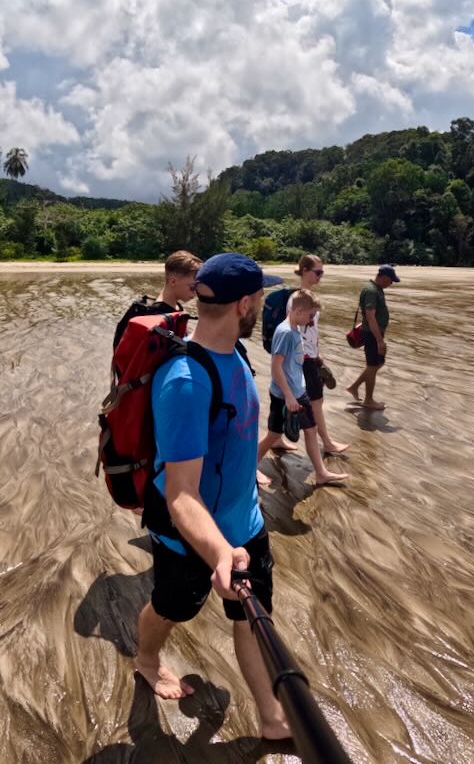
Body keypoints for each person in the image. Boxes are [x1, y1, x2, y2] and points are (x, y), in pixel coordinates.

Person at [135, 252, 291, 741]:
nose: (264, 305)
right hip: (191, 539)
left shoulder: (239, 355)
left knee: (250, 615)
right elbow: (181, 495)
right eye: (261, 297)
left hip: (246, 525)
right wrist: (219, 552)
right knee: (173, 607)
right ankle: (145, 659)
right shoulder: (185, 381)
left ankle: (271, 718)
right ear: (245, 303)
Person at [257, 289, 349, 487]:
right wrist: (289, 397)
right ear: (298, 310)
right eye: (310, 315)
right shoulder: (285, 332)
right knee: (273, 434)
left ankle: (321, 473)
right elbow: (276, 367)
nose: (311, 320)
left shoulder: (296, 328)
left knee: (311, 429)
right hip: (286, 396)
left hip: (299, 392)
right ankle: (249, 467)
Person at [288, 255, 349, 457]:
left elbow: (312, 332)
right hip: (303, 359)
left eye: (322, 272)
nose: (320, 276)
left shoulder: (308, 297)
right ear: (305, 270)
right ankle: (327, 443)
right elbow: (294, 331)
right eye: (318, 272)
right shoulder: (297, 300)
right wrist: (306, 357)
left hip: (310, 357)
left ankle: (276, 436)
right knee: (316, 401)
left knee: (310, 401)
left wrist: (318, 354)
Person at [112, 250, 201, 348]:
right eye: (192, 287)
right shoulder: (156, 317)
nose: (195, 293)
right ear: (173, 282)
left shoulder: (175, 308)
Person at [347, 264, 399, 410]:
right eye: (391, 280)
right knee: (372, 365)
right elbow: (370, 317)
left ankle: (354, 387)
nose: (391, 284)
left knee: (378, 363)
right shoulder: (371, 290)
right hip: (371, 334)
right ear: (383, 277)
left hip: (375, 333)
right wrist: (379, 340)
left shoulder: (377, 289)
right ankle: (368, 400)